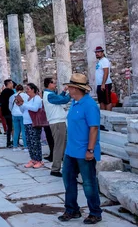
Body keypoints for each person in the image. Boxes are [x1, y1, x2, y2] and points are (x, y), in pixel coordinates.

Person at [58, 73, 102, 225]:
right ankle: (72, 209)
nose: (67, 88)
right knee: (68, 180)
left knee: (89, 183)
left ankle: (95, 213)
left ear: (76, 89)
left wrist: (90, 150)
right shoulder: (74, 103)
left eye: (69, 87)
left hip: (84, 151)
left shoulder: (89, 105)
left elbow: (94, 128)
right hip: (71, 150)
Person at [43, 77, 71, 177]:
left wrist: (64, 91)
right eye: (54, 83)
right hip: (57, 123)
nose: (55, 85)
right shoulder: (50, 95)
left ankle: (64, 166)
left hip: (59, 122)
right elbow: (64, 100)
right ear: (49, 84)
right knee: (59, 146)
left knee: (62, 145)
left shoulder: (50, 95)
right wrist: (71, 92)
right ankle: (55, 169)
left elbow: (59, 98)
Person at [16, 83, 44, 168]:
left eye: (28, 89)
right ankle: (33, 159)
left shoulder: (37, 98)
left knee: (35, 142)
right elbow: (23, 110)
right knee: (29, 142)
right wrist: (20, 104)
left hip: (34, 122)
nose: (26, 91)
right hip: (26, 122)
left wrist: (23, 104)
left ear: (32, 89)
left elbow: (35, 108)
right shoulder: (28, 99)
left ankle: (39, 160)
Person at [9, 81, 27, 151]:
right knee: (23, 130)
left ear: (15, 89)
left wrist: (12, 111)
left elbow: (10, 106)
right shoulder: (26, 96)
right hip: (22, 114)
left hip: (14, 114)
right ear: (22, 89)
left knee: (16, 130)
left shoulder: (12, 96)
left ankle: (15, 146)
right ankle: (25, 146)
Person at [95, 46, 113, 111]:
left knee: (107, 101)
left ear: (102, 53)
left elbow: (106, 72)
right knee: (101, 101)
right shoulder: (99, 61)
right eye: (96, 52)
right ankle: (103, 115)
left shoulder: (105, 60)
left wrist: (103, 84)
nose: (97, 54)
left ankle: (109, 115)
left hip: (105, 83)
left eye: (99, 52)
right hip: (99, 84)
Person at [0, 80, 15, 148]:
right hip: (10, 111)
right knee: (12, 127)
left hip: (4, 111)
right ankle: (13, 141)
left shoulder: (3, 92)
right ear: (9, 84)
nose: (12, 84)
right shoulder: (11, 92)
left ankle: (9, 141)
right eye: (11, 83)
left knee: (9, 127)